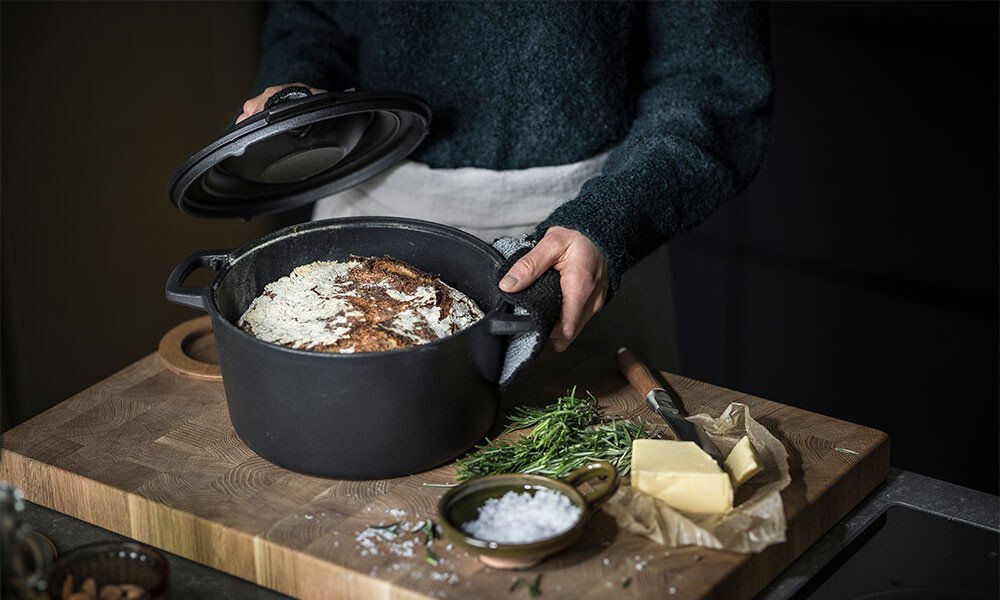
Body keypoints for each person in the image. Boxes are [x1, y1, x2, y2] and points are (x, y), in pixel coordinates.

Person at [237, 1, 772, 371]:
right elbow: (308, 17)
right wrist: (299, 82)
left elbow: (712, 78)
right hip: (366, 207)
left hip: (584, 233)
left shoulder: (607, 220)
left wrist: (616, 216)